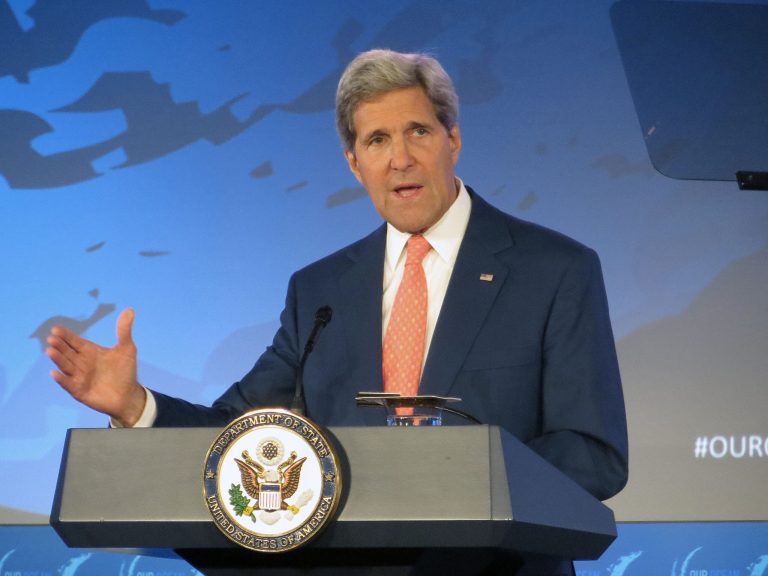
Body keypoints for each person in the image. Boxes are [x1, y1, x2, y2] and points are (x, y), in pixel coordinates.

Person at [47, 49, 627, 575]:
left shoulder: (554, 270)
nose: (399, 158)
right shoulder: (319, 291)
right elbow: (241, 436)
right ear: (354, 163)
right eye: (377, 141)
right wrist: (135, 406)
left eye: (418, 131)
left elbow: (594, 455)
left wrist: (462, 475)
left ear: (454, 139)